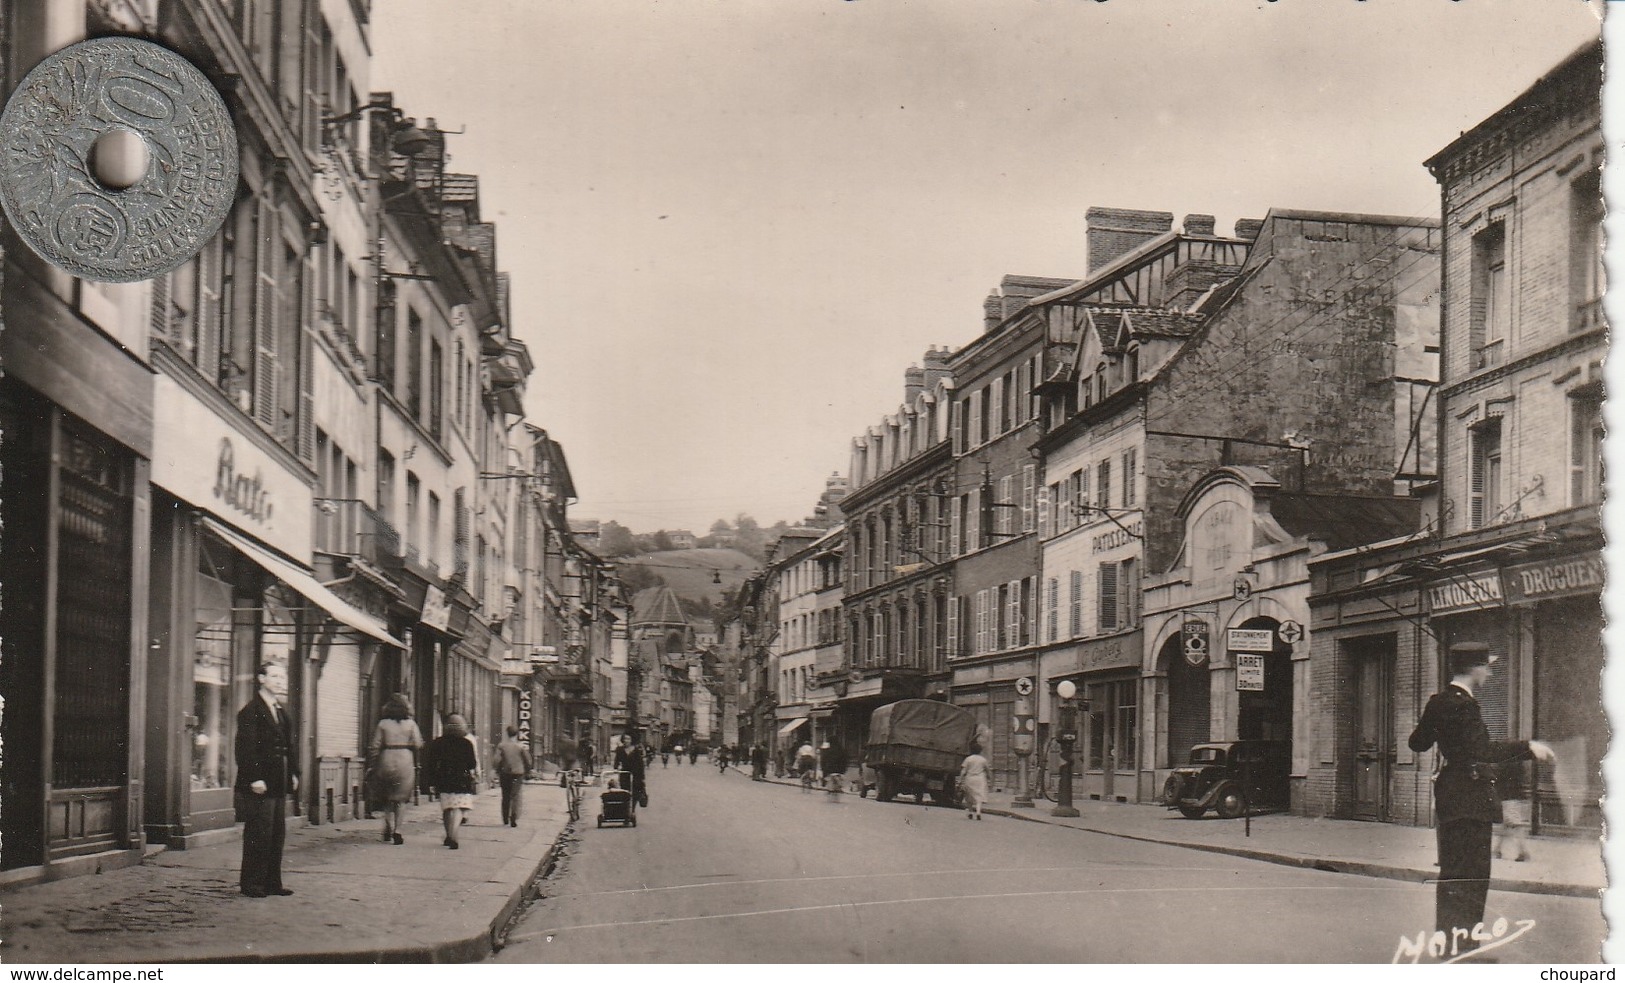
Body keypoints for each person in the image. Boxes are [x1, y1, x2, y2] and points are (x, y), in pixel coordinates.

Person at [1408, 642, 1552, 955]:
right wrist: (1528, 748)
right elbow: (1484, 751)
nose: (1488, 672)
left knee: (1452, 874)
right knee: (1473, 877)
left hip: (1449, 797)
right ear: (1473, 668)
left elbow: (1417, 743)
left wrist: (1439, 730)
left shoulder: (1438, 701)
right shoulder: (1466, 706)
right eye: (1485, 666)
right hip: (1471, 799)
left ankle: (1449, 945)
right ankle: (1465, 950)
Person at [235, 662, 299, 897]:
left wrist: (293, 772)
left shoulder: (280, 711)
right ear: (261, 679)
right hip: (261, 782)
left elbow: (288, 746)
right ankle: (252, 884)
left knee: (276, 833)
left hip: (279, 779)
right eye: (274, 676)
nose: (280, 681)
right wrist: (254, 778)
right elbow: (245, 749)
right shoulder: (251, 711)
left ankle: (272, 883)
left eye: (283, 677)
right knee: (259, 833)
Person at [367, 693, 423, 845]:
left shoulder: (383, 724)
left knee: (386, 796)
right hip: (404, 759)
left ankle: (387, 824)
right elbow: (418, 743)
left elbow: (375, 746)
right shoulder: (411, 724)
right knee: (401, 798)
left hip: (387, 757)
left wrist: (373, 764)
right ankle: (398, 830)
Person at [423, 713, 479, 849]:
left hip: (444, 779)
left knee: (447, 809)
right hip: (462, 779)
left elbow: (431, 763)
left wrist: (431, 782)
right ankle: (454, 835)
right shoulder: (466, 743)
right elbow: (472, 763)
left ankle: (448, 835)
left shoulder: (438, 742)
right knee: (459, 808)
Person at [1495, 756, 1534, 862]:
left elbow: (1499, 777)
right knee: (1507, 824)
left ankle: (1523, 852)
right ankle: (1497, 850)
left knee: (1514, 824)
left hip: (1508, 796)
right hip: (1516, 796)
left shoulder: (1506, 762)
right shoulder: (1519, 762)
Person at [493, 725, 533, 828]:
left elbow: (496, 760)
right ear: (517, 734)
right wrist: (528, 771)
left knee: (505, 795)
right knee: (515, 795)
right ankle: (513, 818)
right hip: (518, 773)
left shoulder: (502, 746)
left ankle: (505, 818)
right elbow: (527, 760)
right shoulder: (520, 746)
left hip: (505, 773)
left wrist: (497, 770)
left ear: (507, 733)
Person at [958, 740, 991, 820]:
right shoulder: (983, 760)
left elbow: (963, 771)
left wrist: (960, 780)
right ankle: (978, 812)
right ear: (980, 751)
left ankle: (970, 812)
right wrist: (989, 777)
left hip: (970, 778)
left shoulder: (968, 759)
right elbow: (987, 770)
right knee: (979, 796)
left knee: (969, 796)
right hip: (980, 779)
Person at [613, 733, 648, 808]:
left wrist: (642, 777)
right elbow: (617, 760)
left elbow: (640, 764)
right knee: (625, 791)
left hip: (636, 774)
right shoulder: (620, 749)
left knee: (635, 793)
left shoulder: (636, 750)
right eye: (625, 739)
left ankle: (632, 809)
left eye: (628, 739)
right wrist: (616, 767)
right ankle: (626, 809)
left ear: (631, 740)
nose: (626, 741)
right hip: (625, 773)